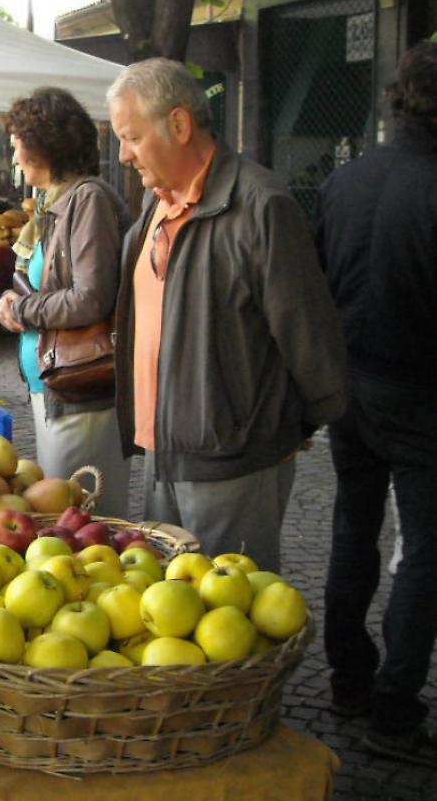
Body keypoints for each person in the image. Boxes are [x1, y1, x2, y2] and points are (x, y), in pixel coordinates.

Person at [107, 57, 347, 570]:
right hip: (161, 451)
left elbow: (307, 335)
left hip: (231, 459)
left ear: (179, 124)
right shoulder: (154, 207)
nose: (123, 156)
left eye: (131, 137)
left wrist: (270, 433)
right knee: (173, 612)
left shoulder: (261, 206)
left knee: (234, 617)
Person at [316, 41, 437, 765]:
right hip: (421, 391)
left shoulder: (347, 179)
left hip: (349, 383)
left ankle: (348, 680)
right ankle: (393, 706)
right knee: (425, 549)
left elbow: (321, 278)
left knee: (353, 530)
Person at [0, 88, 131, 519]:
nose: (15, 157)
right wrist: (11, 299)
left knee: (84, 519)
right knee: (67, 518)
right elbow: (44, 283)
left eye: (18, 144)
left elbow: (90, 297)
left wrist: (22, 310)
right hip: (55, 387)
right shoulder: (57, 205)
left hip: (82, 390)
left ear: (45, 144)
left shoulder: (87, 200)